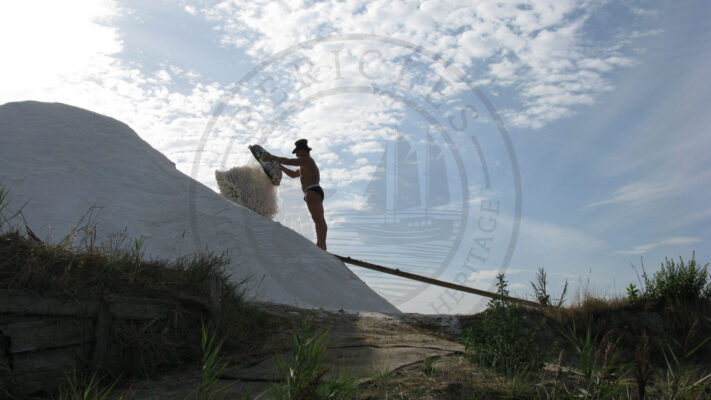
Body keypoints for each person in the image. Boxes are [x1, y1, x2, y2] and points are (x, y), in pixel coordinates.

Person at [263, 139, 327, 250]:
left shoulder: (307, 160)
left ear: (303, 151)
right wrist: (279, 166)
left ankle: (321, 244)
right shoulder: (304, 165)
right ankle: (321, 244)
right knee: (318, 218)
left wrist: (271, 157)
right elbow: (292, 174)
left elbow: (288, 161)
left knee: (318, 219)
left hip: (312, 191)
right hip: (312, 192)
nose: (296, 155)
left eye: (297, 152)